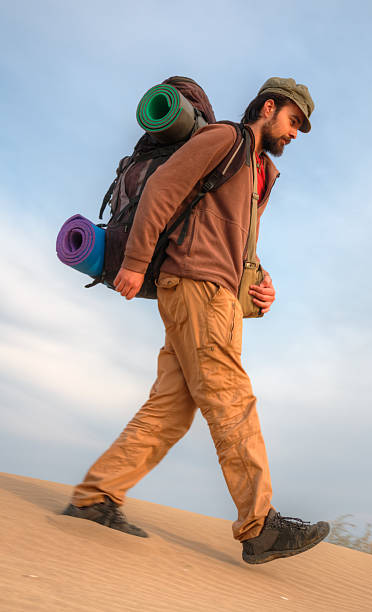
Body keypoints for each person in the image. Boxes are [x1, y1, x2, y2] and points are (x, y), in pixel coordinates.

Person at [63, 77, 330, 565]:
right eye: (294, 121)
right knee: (231, 398)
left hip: (216, 297)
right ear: (268, 108)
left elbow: (236, 248)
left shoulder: (256, 174)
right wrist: (136, 260)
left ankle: (96, 495)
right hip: (197, 291)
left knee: (170, 409)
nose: (295, 134)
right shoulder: (225, 139)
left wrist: (260, 286)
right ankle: (259, 525)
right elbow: (163, 189)